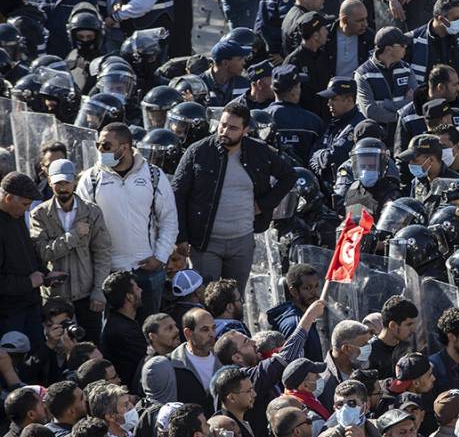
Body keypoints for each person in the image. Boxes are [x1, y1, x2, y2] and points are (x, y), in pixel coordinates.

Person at [172, 101, 298, 291]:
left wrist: (264, 204)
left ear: (245, 130)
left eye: (232, 128)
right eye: (222, 125)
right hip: (206, 242)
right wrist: (181, 237)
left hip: (242, 240)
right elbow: (178, 193)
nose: (224, 131)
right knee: (207, 297)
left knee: (235, 300)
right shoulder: (198, 151)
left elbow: (289, 175)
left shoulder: (259, 152)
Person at [75, 123, 178, 321]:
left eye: (105, 146)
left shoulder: (154, 175)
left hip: (147, 271)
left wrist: (160, 256)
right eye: (98, 145)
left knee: (151, 333)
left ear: (124, 148)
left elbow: (169, 220)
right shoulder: (91, 178)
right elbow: (82, 222)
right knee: (111, 337)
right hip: (107, 273)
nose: (99, 150)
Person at [29, 160, 110, 344]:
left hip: (87, 296)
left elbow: (102, 253)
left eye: (66, 182)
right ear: (50, 182)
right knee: (58, 349)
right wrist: (73, 236)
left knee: (91, 346)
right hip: (55, 298)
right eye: (58, 183)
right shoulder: (39, 214)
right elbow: (42, 253)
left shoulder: (92, 212)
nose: (62, 188)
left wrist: (99, 290)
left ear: (74, 181)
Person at [0, 172, 47, 345]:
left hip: (30, 304)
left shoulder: (16, 215)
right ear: (8, 198)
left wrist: (45, 274)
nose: (27, 209)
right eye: (25, 204)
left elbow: (27, 252)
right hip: (9, 314)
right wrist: (28, 282)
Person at [354, 27, 414, 144]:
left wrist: (385, 104)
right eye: (402, 45)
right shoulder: (362, 74)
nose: (405, 48)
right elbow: (371, 112)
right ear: (388, 49)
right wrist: (402, 111)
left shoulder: (406, 69)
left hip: (403, 137)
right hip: (376, 140)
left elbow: (415, 103)